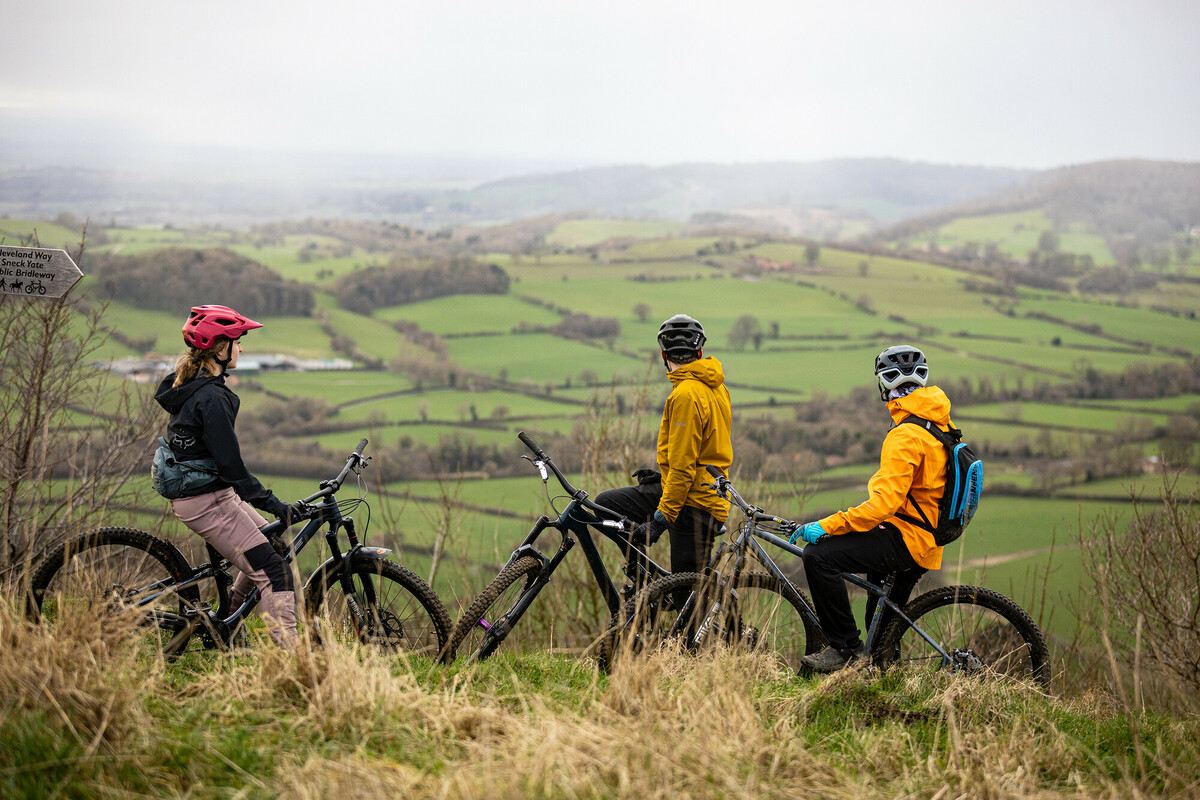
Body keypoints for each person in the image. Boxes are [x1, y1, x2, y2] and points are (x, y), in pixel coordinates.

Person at [790, 344, 952, 672]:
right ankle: (885, 684)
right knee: (881, 634)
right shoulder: (936, 423)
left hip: (906, 538)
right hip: (923, 537)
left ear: (886, 386)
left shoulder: (905, 435)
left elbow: (881, 505)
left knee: (818, 558)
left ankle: (845, 650)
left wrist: (825, 526)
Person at [154, 304, 304, 648]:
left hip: (212, 494)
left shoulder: (193, 383)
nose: (241, 348)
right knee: (274, 574)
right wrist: (274, 504)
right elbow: (231, 468)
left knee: (273, 551)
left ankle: (226, 628)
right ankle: (294, 664)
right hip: (206, 501)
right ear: (220, 347)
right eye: (238, 341)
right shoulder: (211, 398)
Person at [595, 314, 733, 596]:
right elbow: (702, 451)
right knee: (607, 505)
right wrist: (664, 475)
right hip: (690, 490)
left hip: (695, 504)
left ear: (663, 355)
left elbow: (684, 467)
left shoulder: (685, 395)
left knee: (689, 602)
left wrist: (659, 522)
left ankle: (686, 616)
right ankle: (648, 585)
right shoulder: (718, 388)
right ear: (700, 352)